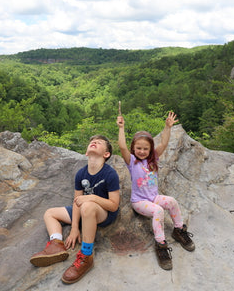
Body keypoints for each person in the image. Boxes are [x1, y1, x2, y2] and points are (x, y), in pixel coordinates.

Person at [29, 135, 120, 284]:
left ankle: (86, 256)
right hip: (84, 209)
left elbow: (114, 205)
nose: (94, 142)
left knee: (87, 205)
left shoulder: (110, 174)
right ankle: (56, 244)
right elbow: (77, 201)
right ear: (86, 152)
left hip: (103, 213)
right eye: (92, 142)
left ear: (106, 154)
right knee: (50, 213)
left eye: (99, 143)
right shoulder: (81, 173)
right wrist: (74, 229)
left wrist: (91, 198)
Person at [116, 111, 194, 270]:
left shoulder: (153, 159)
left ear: (151, 149)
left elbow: (164, 143)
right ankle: (161, 244)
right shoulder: (131, 161)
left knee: (171, 201)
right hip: (139, 202)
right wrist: (121, 127)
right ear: (133, 148)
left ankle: (179, 230)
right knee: (158, 211)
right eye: (138, 148)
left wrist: (167, 127)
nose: (142, 151)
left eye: (146, 148)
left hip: (154, 197)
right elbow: (122, 146)